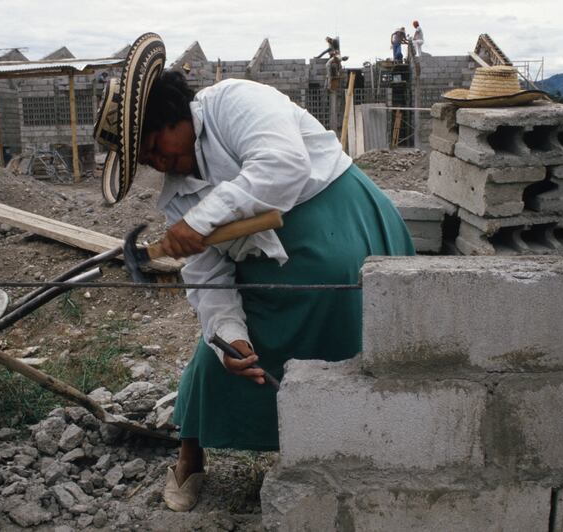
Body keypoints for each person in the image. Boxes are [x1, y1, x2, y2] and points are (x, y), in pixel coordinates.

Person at [101, 33, 415, 513]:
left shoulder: (234, 101)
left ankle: (351, 453)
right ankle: (190, 457)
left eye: (155, 146)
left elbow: (282, 167)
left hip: (334, 218)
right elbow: (208, 277)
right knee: (217, 357)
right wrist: (229, 336)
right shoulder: (178, 197)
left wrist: (202, 222)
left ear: (172, 115)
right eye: (147, 161)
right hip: (266, 259)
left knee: (349, 337)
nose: (159, 162)